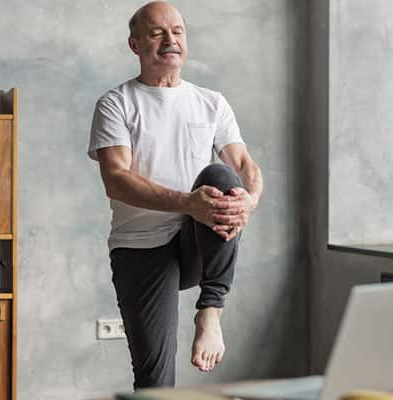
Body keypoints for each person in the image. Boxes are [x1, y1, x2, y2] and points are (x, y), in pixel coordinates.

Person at [87, 1, 263, 389]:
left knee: (222, 175)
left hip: (196, 240)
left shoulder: (211, 102)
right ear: (135, 45)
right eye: (157, 33)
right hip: (140, 247)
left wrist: (249, 201)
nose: (171, 40)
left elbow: (246, 166)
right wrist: (188, 202)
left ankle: (210, 311)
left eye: (178, 32)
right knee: (153, 380)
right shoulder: (116, 103)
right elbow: (115, 179)